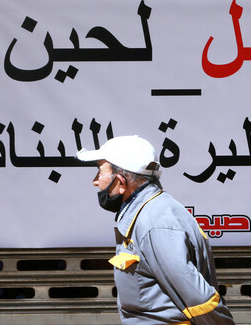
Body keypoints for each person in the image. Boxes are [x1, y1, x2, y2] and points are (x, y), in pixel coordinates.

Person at [77, 135, 235, 325]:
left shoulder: (155, 224)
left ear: (120, 182)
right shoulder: (148, 213)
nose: (95, 181)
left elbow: (199, 299)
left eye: (100, 172)